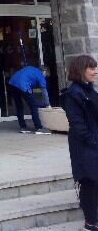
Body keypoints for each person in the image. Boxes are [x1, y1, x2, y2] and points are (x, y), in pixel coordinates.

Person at [63, 55, 98, 231]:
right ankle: (90, 223)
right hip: (84, 146)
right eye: (91, 68)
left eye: (95, 67)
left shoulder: (89, 90)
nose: (95, 71)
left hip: (93, 143)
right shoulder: (73, 94)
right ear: (80, 70)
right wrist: (94, 141)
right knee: (89, 182)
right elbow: (78, 125)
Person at [8, 64, 51, 134]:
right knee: (33, 105)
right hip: (22, 85)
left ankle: (23, 127)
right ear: (44, 71)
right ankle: (39, 128)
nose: (45, 77)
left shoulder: (30, 68)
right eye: (46, 75)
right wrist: (47, 104)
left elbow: (27, 79)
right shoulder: (40, 75)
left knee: (19, 106)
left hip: (12, 83)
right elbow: (44, 91)